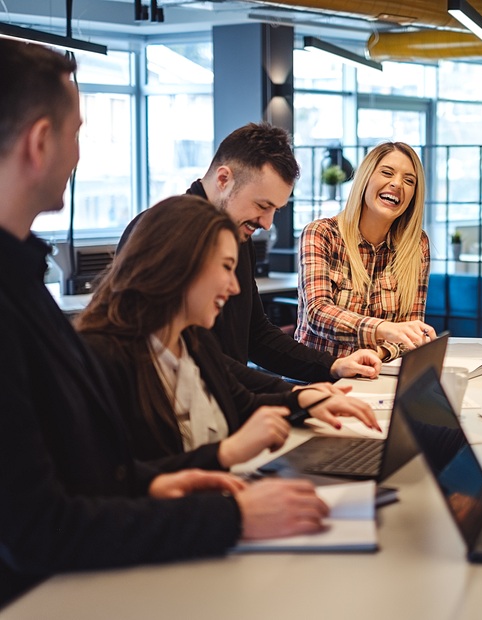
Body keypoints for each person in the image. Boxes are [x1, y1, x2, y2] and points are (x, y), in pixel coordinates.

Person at [0, 40, 329, 607]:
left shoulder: (21, 277)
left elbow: (82, 469)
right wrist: (228, 515)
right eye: (77, 132)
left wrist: (155, 482)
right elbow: (36, 528)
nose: (80, 155)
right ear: (39, 141)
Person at [77, 195, 378, 472]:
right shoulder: (103, 359)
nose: (234, 288)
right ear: (179, 264)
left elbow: (243, 403)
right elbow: (119, 480)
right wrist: (226, 453)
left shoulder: (193, 341)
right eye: (225, 267)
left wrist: (305, 400)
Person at [118, 123, 382, 393]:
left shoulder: (237, 234)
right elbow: (193, 358)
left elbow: (256, 335)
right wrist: (292, 395)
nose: (266, 223)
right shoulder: (161, 233)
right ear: (223, 179)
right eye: (262, 205)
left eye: (275, 210)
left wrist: (332, 365)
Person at [296, 142, 436, 361]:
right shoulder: (322, 233)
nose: (397, 184)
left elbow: (411, 333)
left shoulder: (417, 245)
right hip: (318, 379)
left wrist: (377, 353)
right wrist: (383, 329)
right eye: (387, 173)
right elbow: (318, 313)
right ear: (365, 178)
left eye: (409, 181)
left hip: (376, 376)